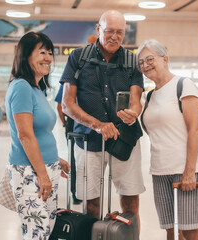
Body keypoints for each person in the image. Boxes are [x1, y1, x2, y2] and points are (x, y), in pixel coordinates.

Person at [60, 10, 146, 227]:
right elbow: (66, 104)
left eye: (120, 32)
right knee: (91, 203)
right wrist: (97, 125)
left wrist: (133, 114)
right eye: (109, 31)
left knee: (130, 200)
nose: (114, 37)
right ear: (98, 29)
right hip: (88, 141)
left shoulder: (132, 61)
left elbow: (136, 99)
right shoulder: (78, 58)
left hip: (125, 140)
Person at [138, 39, 198, 240]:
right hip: (160, 171)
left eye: (150, 59)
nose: (145, 65)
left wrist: (190, 172)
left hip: (186, 170)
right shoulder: (150, 96)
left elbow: (194, 130)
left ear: (165, 59)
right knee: (171, 230)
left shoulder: (183, 85)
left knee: (190, 231)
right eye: (141, 62)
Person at [5, 31, 70, 240]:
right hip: (29, 173)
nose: (48, 58)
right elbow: (24, 135)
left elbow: (40, 132)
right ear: (26, 56)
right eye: (42, 52)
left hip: (46, 168)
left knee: (47, 230)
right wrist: (42, 174)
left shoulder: (37, 89)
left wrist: (55, 160)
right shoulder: (21, 87)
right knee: (37, 233)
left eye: (50, 53)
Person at [54, 84, 82, 204]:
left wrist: (64, 123)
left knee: (73, 158)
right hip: (84, 123)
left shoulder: (68, 83)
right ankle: (82, 192)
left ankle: (75, 193)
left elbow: (59, 106)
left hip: (71, 123)